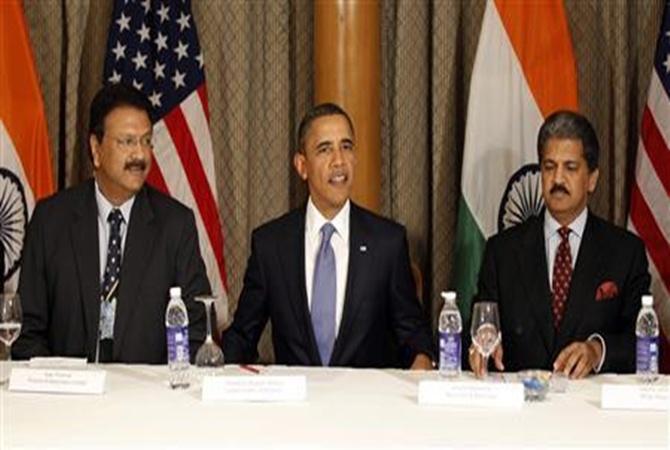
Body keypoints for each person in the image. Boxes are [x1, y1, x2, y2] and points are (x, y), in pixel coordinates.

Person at [223, 103, 434, 369]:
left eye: (346, 147)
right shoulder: (271, 245)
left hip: (365, 405)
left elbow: (414, 335)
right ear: (302, 166)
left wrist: (421, 362)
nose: (339, 161)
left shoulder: (387, 242)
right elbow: (242, 336)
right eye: (325, 149)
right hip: (297, 406)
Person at [13, 83, 211, 363]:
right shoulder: (50, 220)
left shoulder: (175, 225)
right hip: (67, 399)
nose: (140, 156)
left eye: (146, 141)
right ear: (96, 148)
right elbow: (27, 331)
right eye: (127, 142)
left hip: (146, 399)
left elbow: (196, 330)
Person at [468, 110, 650, 379]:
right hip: (521, 408)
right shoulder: (502, 251)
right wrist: (484, 337)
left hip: (591, 410)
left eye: (571, 168)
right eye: (549, 167)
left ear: (592, 179)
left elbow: (643, 343)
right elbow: (482, 322)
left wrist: (597, 350)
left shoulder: (625, 252)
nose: (558, 180)